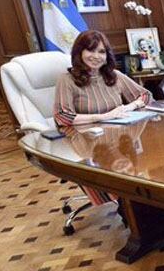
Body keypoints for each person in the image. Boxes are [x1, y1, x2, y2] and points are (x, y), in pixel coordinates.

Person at [54, 29, 151, 205]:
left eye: (101, 51)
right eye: (91, 50)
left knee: (142, 184)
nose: (96, 56)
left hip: (117, 138)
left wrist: (129, 106)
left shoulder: (114, 76)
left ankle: (136, 211)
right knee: (120, 187)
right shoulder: (67, 80)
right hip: (87, 144)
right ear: (79, 52)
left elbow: (145, 96)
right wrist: (102, 116)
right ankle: (126, 209)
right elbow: (62, 117)